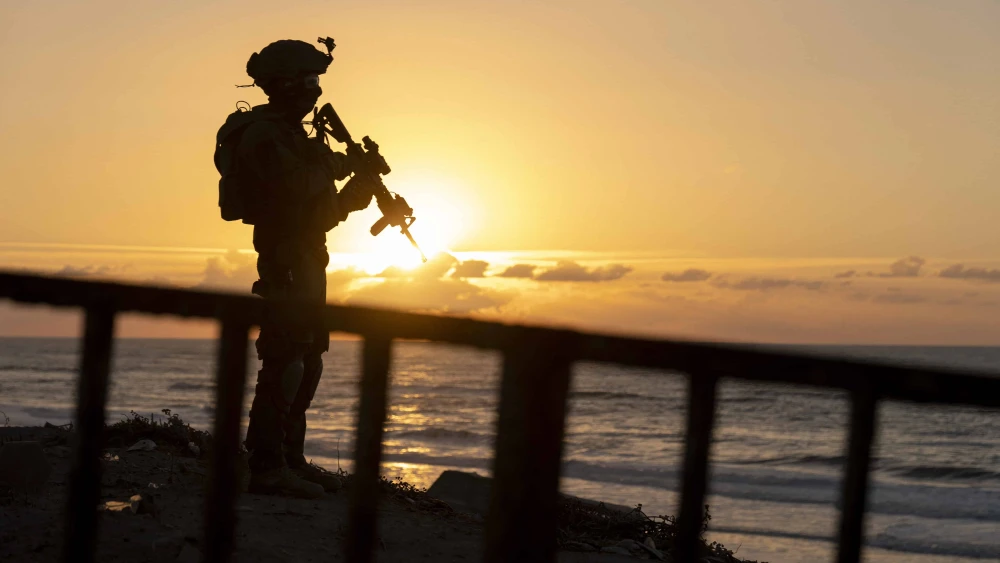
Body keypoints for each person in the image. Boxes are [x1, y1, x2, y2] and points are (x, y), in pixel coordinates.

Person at [214, 39, 374, 498]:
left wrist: (351, 197)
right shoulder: (265, 135)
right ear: (283, 83)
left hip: (307, 255)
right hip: (285, 258)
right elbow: (290, 199)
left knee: (307, 361)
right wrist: (341, 168)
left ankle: (289, 459)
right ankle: (266, 465)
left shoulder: (292, 134)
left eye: (316, 80)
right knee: (285, 359)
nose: (315, 89)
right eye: (308, 80)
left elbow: (317, 212)